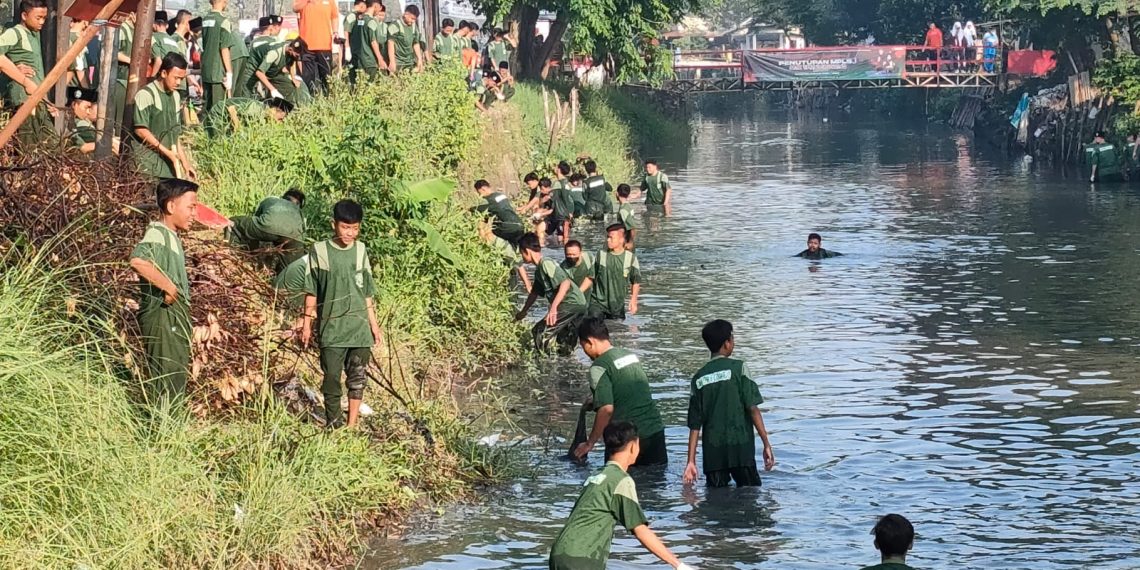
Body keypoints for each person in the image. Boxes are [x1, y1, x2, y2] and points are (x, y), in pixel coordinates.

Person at [550, 421, 692, 570]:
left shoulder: (597, 476)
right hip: (581, 559)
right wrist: (678, 565)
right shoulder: (621, 480)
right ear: (633, 446)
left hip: (560, 552)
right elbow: (640, 530)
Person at [300, 199, 384, 428]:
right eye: (345, 227)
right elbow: (311, 290)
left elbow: (366, 292)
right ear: (333, 224)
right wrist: (307, 324)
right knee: (331, 380)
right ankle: (333, 424)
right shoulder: (319, 250)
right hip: (332, 328)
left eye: (355, 228)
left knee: (357, 378)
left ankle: (351, 426)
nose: (350, 233)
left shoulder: (361, 250)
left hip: (358, 329)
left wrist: (373, 325)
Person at [129, 178, 199, 410]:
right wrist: (168, 287)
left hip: (174, 318)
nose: (194, 214)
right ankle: (161, 434)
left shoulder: (172, 237)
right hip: (162, 318)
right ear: (171, 207)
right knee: (165, 381)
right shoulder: (157, 233)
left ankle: (169, 432)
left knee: (175, 375)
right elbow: (138, 260)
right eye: (190, 207)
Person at [683, 319, 776, 488]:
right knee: (750, 496)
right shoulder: (739, 368)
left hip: (713, 455)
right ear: (726, 343)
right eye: (732, 338)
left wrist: (691, 461)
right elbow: (752, 408)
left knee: (717, 503)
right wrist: (766, 443)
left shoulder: (698, 378)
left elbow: (695, 424)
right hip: (741, 450)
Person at [572, 320, 667, 465]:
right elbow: (631, 389)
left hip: (625, 439)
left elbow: (606, 410)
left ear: (589, 342)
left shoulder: (598, 367)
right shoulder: (629, 355)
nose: (584, 352)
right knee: (656, 482)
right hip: (655, 431)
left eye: (582, 345)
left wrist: (589, 443)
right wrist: (597, 399)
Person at [515, 232, 589, 353]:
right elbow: (534, 294)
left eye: (521, 252)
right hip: (577, 304)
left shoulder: (546, 263)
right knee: (563, 341)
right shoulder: (539, 271)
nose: (521, 256)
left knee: (539, 332)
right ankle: (565, 364)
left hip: (570, 303)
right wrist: (523, 312)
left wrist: (553, 308)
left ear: (527, 251)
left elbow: (565, 283)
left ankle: (543, 364)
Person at [132, 53, 194, 179]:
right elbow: (140, 130)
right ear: (164, 73)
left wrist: (186, 164)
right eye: (175, 77)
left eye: (181, 79)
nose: (178, 82)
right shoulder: (145, 94)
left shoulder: (176, 97)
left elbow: (174, 136)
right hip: (147, 167)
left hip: (167, 169)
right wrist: (166, 152)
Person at [0, 0, 53, 145]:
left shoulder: (34, 35)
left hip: (38, 100)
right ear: (24, 15)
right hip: (24, 100)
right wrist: (21, 78)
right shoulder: (14, 33)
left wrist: (47, 102)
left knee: (52, 145)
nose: (42, 22)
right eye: (38, 18)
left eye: (44, 18)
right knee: (28, 149)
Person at [228, 189, 307, 271]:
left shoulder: (272, 200)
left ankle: (232, 258)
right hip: (294, 238)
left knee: (234, 222)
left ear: (283, 197)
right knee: (288, 272)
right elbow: (302, 236)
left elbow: (255, 227)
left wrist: (253, 253)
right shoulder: (300, 213)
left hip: (268, 226)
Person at [588, 224, 641, 320]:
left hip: (617, 306)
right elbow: (590, 277)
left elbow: (635, 281)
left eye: (611, 238)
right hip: (597, 303)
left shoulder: (630, 258)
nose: (608, 240)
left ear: (621, 240)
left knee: (618, 330)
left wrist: (633, 300)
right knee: (595, 325)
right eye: (607, 237)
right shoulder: (601, 255)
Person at [293, 0, 340, 92]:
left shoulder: (330, 1)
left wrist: (335, 31)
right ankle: (310, 100)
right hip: (306, 46)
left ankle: (328, 99)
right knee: (308, 78)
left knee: (326, 77)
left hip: (324, 45)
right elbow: (295, 8)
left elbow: (334, 16)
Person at [200, 0, 233, 119]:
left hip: (206, 70)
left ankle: (205, 134)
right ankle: (216, 136)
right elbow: (224, 48)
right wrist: (229, 72)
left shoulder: (204, 20)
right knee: (219, 109)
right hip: (218, 72)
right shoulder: (223, 21)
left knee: (207, 107)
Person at [479, 220, 531, 292]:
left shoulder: (501, 243)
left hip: (508, 277)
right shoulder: (500, 242)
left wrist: (527, 284)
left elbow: (519, 265)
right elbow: (519, 265)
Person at [236, 15, 281, 97]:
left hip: (250, 72)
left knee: (246, 97)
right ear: (270, 28)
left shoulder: (251, 41)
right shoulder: (274, 41)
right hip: (267, 73)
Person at [473, 179, 525, 244]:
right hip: (519, 224)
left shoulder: (490, 200)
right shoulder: (501, 195)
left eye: (479, 193)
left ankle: (488, 247)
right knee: (519, 247)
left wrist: (468, 209)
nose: (480, 196)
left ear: (483, 189)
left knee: (488, 231)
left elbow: (478, 210)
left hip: (507, 227)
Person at [347, 0, 384, 83]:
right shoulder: (371, 21)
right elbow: (373, 41)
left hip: (358, 60)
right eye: (379, 8)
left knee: (358, 86)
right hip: (369, 61)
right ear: (376, 6)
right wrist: (380, 59)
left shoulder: (358, 20)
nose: (379, 11)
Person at [386, 4, 424, 74]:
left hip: (410, 62)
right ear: (405, 14)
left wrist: (419, 59)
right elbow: (390, 43)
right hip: (398, 62)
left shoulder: (414, 27)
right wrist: (392, 61)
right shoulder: (395, 26)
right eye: (412, 18)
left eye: (415, 19)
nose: (413, 21)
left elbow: (416, 43)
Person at [66, 86, 98, 155]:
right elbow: (82, 147)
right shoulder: (76, 123)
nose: (88, 112)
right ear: (74, 105)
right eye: (86, 107)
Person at [68, 18, 89, 87]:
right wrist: (87, 90)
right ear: (85, 22)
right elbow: (80, 67)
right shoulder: (78, 39)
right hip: (75, 88)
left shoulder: (66, 36)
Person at [615, 184, 637, 249]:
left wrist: (630, 242)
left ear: (617, 194)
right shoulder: (628, 206)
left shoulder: (623, 210)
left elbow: (632, 228)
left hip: (626, 241)